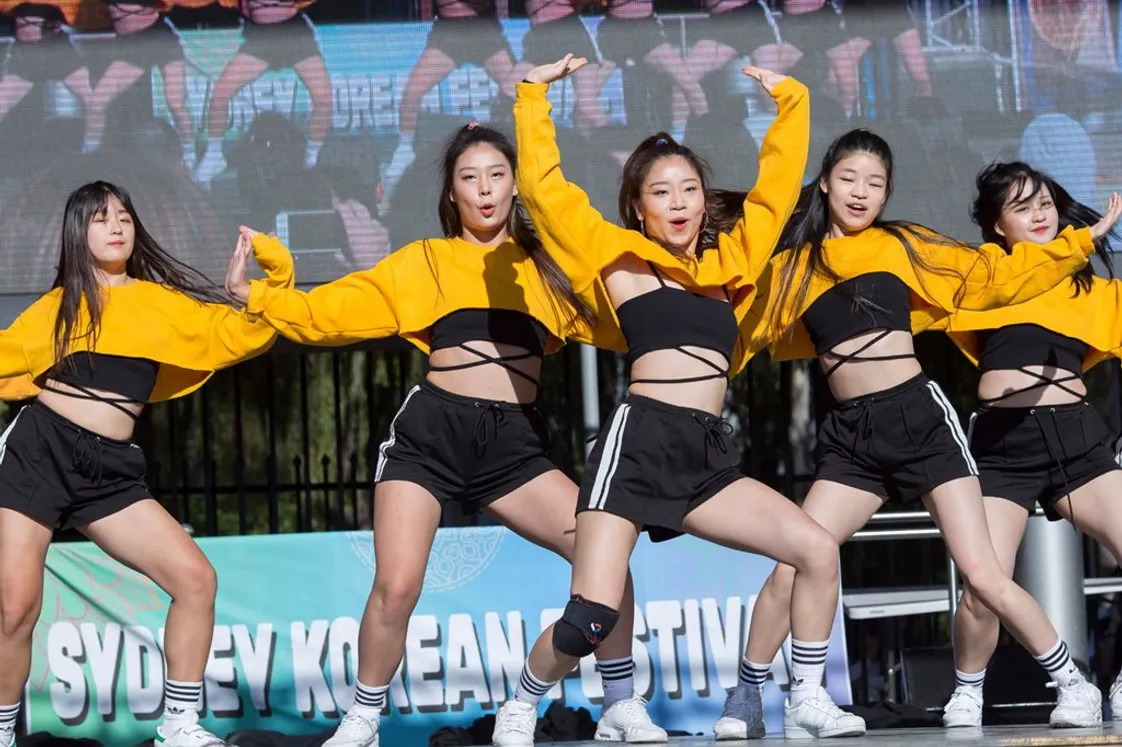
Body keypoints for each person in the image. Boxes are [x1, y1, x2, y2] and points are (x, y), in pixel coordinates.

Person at [224, 122, 663, 747]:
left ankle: (620, 701)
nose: (485, 190)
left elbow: (642, 318)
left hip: (514, 447)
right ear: (451, 193)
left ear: (517, 186)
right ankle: (363, 721)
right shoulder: (423, 262)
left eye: (497, 175)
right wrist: (257, 297)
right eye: (469, 178)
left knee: (607, 554)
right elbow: (330, 315)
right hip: (431, 437)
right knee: (397, 584)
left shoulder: (551, 269)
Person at [493, 54, 861, 745]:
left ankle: (805, 694)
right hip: (638, 444)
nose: (680, 203)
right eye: (661, 192)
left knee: (815, 548)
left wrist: (791, 101)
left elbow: (778, 193)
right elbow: (546, 192)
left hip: (703, 452)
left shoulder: (732, 266)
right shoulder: (619, 257)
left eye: (689, 188)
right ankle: (525, 700)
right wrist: (532, 99)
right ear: (637, 205)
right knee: (591, 616)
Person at [720, 129, 1120, 739]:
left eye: (876, 184)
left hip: (919, 419)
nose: (862, 192)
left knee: (983, 574)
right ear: (825, 182)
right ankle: (748, 695)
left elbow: (994, 278)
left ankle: (1072, 683)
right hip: (854, 434)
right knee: (792, 563)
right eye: (850, 178)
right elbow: (732, 337)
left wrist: (1073, 246)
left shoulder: (902, 246)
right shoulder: (792, 271)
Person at [0, 180, 293, 747]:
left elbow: (243, 336)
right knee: (15, 609)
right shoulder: (57, 307)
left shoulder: (162, 304)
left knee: (196, 580)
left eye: (124, 217)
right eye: (100, 218)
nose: (116, 227)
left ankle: (179, 726)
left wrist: (259, 286)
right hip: (40, 453)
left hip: (109, 470)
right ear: (77, 232)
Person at [940, 162, 1122, 728]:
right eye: (1022, 207)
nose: (1040, 213)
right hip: (1002, 443)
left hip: (1076, 437)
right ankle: (970, 688)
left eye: (1044, 202)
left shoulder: (1089, 286)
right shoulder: (986, 272)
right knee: (980, 583)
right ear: (997, 225)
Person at [381, 0, 527, 200]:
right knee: (411, 93)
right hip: (447, 33)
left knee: (520, 91)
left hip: (481, 30)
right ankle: (404, 150)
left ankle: (523, 151)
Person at [194, 0, 330, 185]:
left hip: (295, 35)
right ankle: (214, 154)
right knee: (220, 95)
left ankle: (311, 160)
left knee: (323, 100)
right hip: (261, 39)